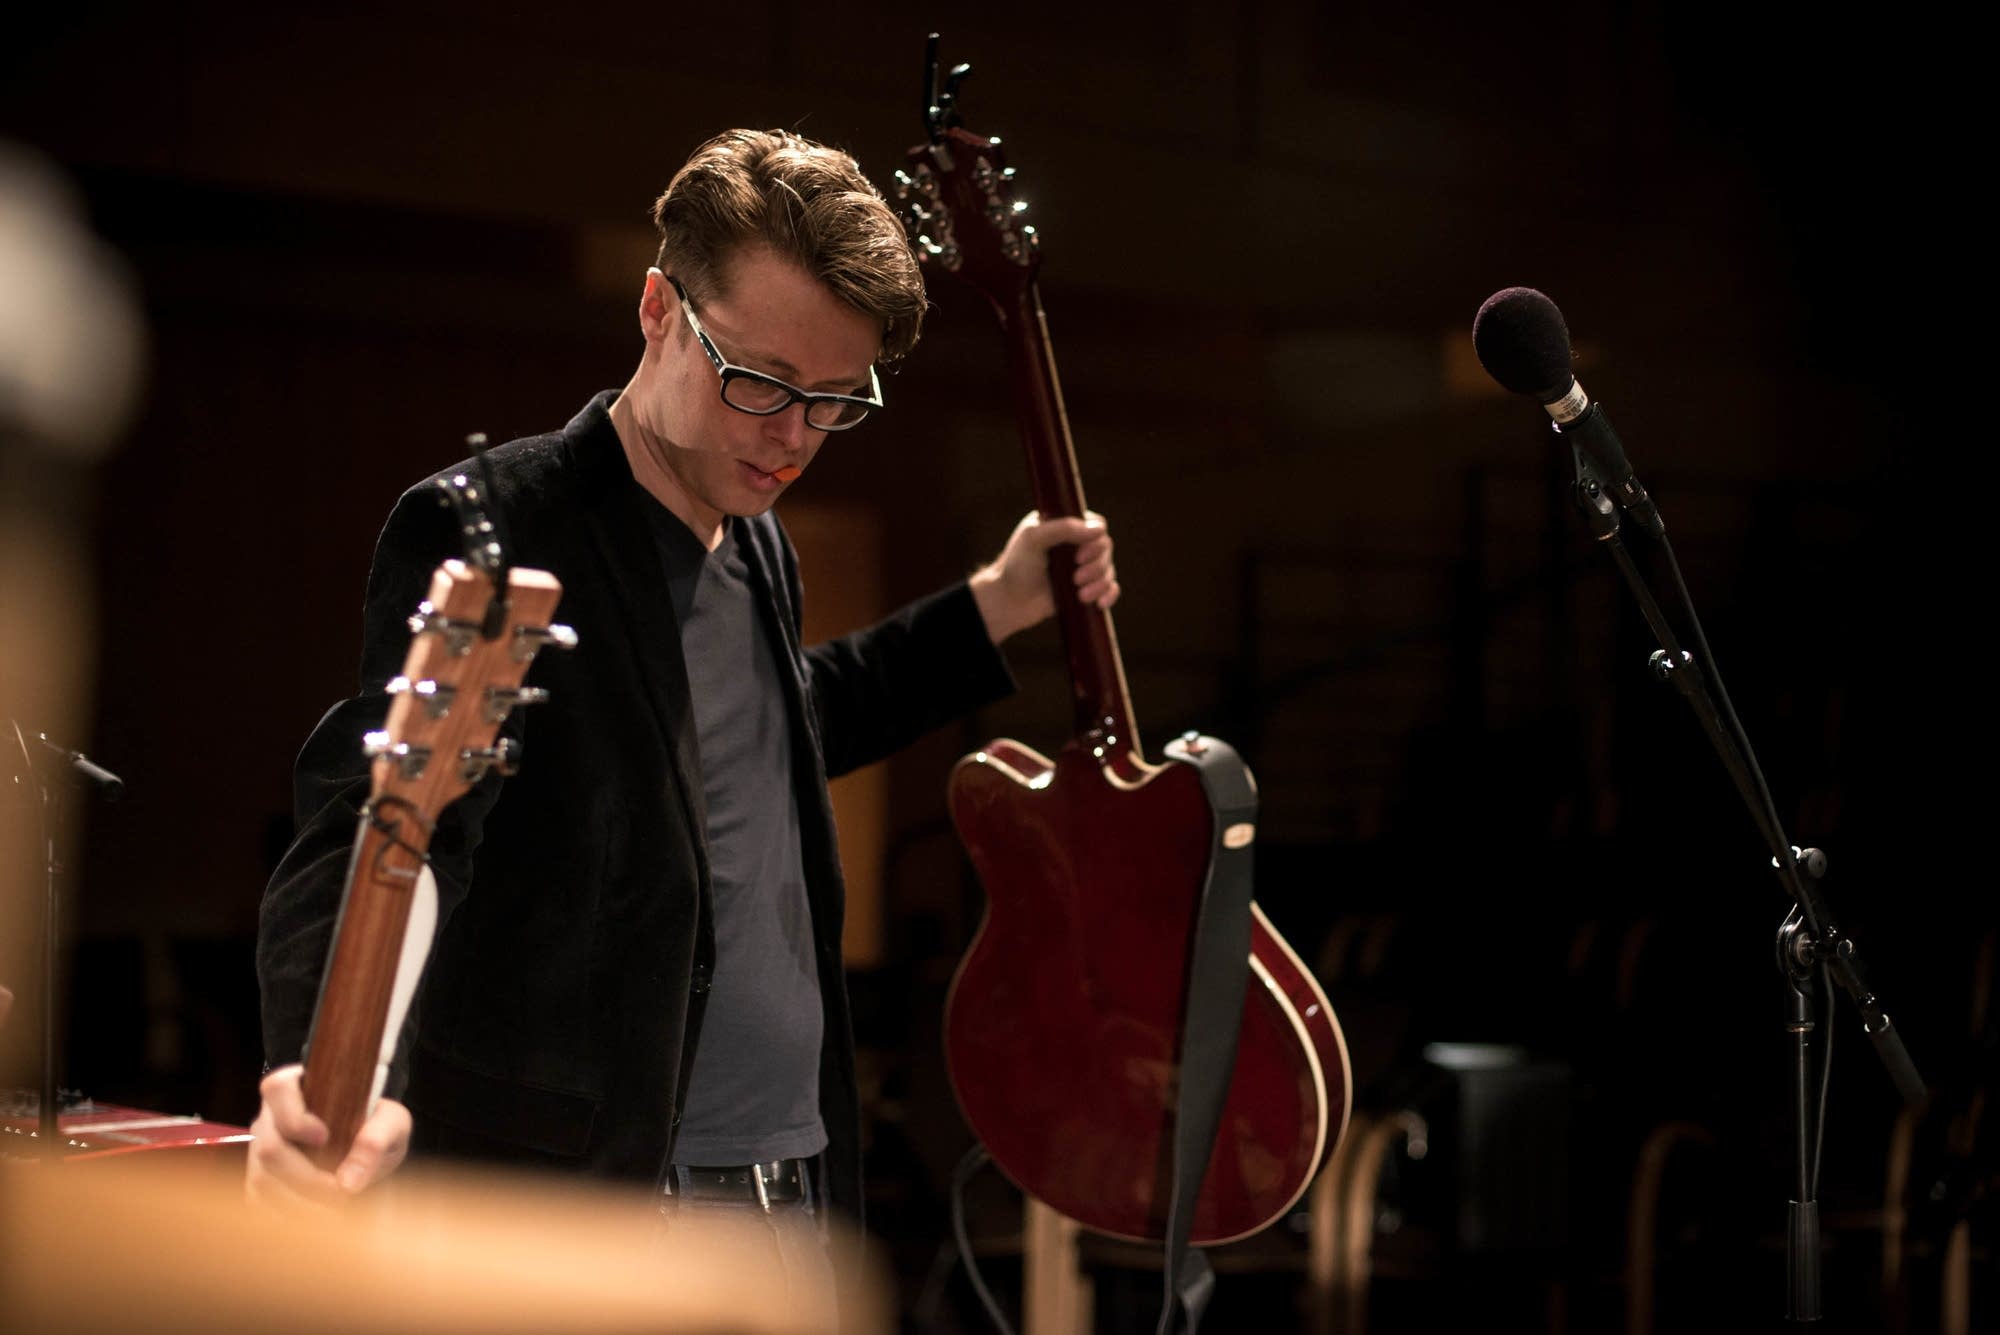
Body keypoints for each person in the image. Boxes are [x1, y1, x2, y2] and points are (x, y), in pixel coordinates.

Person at [247, 129, 1117, 1249]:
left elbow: (776, 732)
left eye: (834, 401)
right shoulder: (506, 523)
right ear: (658, 310)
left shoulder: (757, 543)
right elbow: (374, 822)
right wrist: (321, 1070)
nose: (792, 437)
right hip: (601, 1198)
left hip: (791, 1180)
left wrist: (993, 603)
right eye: (759, 382)